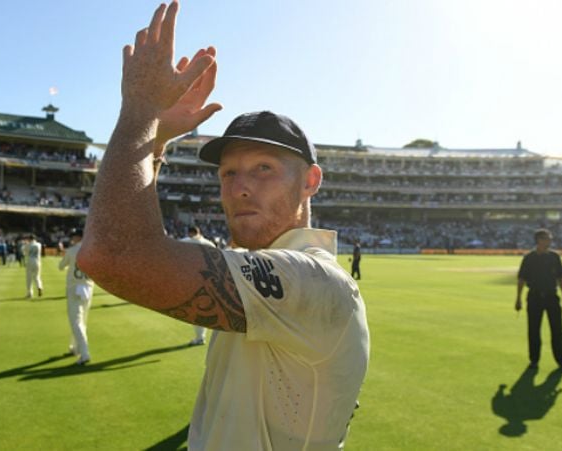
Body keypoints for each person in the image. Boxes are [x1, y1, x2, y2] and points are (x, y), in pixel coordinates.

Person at [77, 2, 370, 449]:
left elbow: (113, 255)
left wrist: (141, 110)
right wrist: (156, 139)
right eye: (229, 173)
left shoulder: (313, 282)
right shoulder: (261, 268)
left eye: (264, 169)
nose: (240, 187)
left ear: (310, 181)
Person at [515, 229, 562, 373]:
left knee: (557, 330)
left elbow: (561, 278)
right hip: (534, 297)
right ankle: (534, 361)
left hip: (552, 296)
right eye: (546, 238)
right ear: (539, 240)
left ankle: (561, 361)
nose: (549, 241)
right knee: (534, 330)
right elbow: (521, 279)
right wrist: (518, 299)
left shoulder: (554, 257)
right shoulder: (529, 258)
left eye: (550, 238)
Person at [58, 228, 94, 366]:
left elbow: (61, 266)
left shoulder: (72, 250)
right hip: (88, 287)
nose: (72, 239)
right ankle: (75, 347)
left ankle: (84, 353)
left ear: (77, 237)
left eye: (73, 236)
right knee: (81, 320)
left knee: (76, 321)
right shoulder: (91, 250)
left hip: (75, 288)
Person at [180, 225, 217, 346]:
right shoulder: (209, 243)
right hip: (207, 280)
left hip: (192, 280)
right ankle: (202, 336)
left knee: (196, 310)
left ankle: (200, 337)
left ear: (190, 233)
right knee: (203, 309)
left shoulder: (184, 242)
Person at [24, 233, 43, 299]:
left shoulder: (28, 245)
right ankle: (39, 287)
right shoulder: (39, 244)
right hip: (37, 261)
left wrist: (26, 245)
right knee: (37, 276)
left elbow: (25, 253)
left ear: (29, 239)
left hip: (30, 261)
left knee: (29, 278)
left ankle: (30, 293)